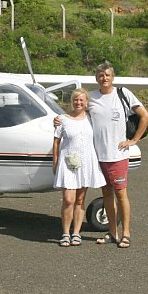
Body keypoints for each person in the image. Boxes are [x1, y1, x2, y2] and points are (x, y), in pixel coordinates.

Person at [54, 61, 148, 248]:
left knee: (121, 194)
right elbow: (77, 111)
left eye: (107, 75)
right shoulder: (91, 97)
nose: (104, 78)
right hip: (98, 157)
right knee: (106, 194)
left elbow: (145, 116)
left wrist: (134, 140)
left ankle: (126, 233)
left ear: (112, 77)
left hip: (118, 155)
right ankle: (112, 232)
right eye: (100, 75)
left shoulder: (123, 94)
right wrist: (59, 119)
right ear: (96, 78)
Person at [53, 88, 107, 247]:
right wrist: (55, 161)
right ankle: (65, 233)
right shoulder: (62, 119)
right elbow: (56, 141)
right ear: (72, 101)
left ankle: (76, 233)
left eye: (81, 100)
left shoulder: (91, 118)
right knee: (68, 199)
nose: (78, 102)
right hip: (68, 163)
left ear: (86, 102)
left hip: (86, 163)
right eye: (76, 100)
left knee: (80, 199)